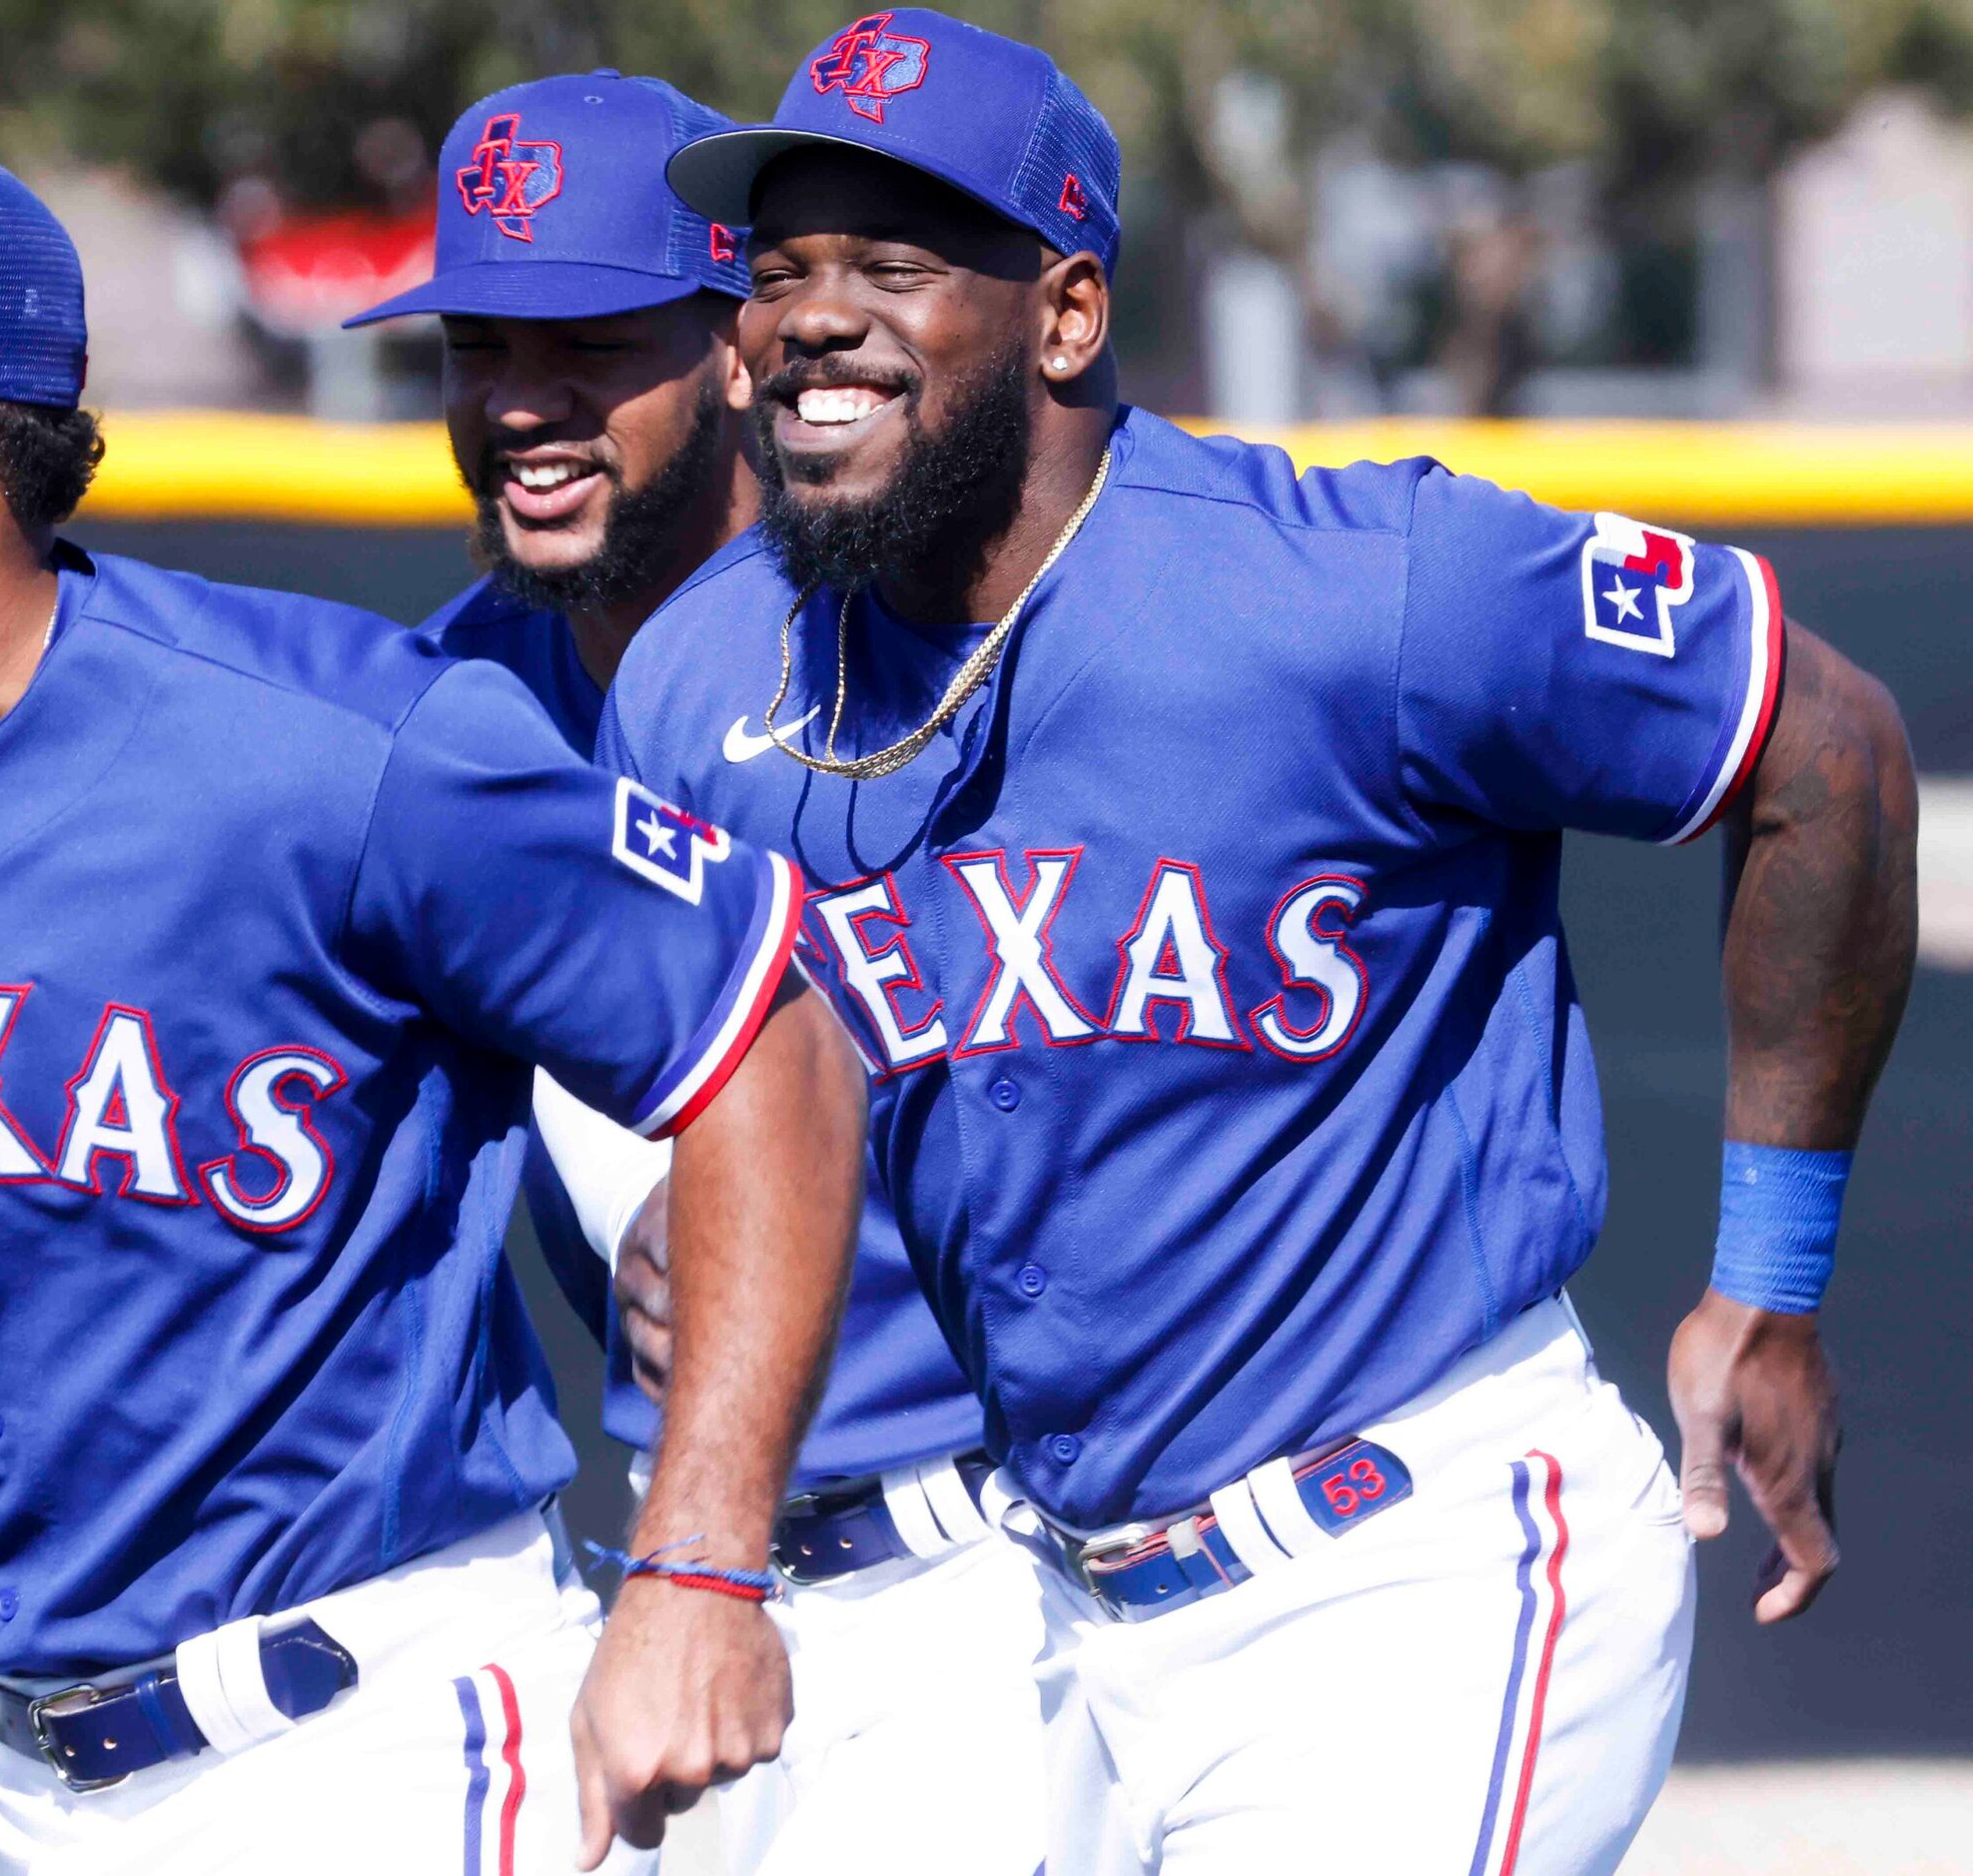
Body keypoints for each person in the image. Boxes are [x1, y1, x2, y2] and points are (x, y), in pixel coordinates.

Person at [0, 105, 869, 1875]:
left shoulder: (338, 747)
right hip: (17, 1773)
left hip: (377, 1736)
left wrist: (692, 1569)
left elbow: (770, 1037)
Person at [604, 13, 1919, 1873]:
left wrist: (1769, 1274)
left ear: (1064, 316)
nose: (807, 315)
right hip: (1055, 1620)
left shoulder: (1361, 588)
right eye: (778, 268)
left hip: (1415, 1564)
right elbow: (731, 1057)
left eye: (892, 262)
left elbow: (1830, 748)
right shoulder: (707, 675)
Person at [349, 74, 1051, 1876]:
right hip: (684, 1579)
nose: (519, 402)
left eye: (587, 343)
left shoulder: (945, 640)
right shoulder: (440, 727)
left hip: (1010, 1566)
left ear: (738, 348)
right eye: (476, 343)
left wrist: (768, 1193)